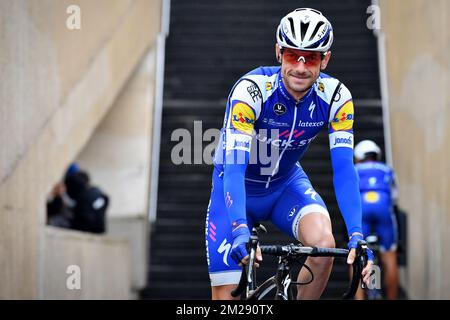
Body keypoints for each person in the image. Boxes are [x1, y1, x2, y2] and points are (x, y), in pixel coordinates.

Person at [205, 8, 373, 300]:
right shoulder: (252, 91)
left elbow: (345, 169)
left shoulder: (336, 97)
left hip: (286, 186)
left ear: (326, 59)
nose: (300, 66)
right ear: (278, 52)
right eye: (292, 55)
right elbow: (234, 168)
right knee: (226, 300)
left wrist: (357, 234)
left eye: (312, 57)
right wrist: (239, 227)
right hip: (235, 189)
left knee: (323, 245)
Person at [353, 140, 399, 299]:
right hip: (383, 209)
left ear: (358, 157)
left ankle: (358, 297)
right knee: (389, 255)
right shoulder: (387, 170)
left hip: (362, 210)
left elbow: (349, 197)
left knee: (355, 253)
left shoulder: (354, 169)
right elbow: (394, 198)